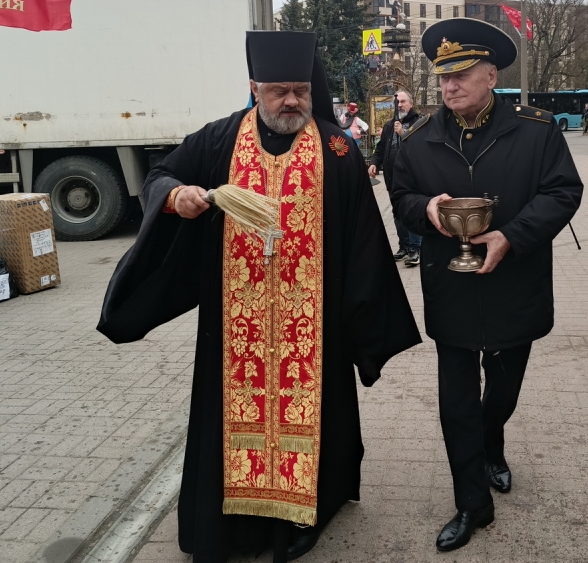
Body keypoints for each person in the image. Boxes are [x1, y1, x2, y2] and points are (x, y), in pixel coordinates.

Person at [98, 31, 422, 563]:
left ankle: (305, 511)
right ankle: (233, 519)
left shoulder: (337, 148)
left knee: (315, 416)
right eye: (278, 91)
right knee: (233, 418)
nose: (291, 101)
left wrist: (363, 318)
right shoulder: (221, 138)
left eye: (300, 90)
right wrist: (177, 196)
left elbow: (364, 239)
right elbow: (160, 175)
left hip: (313, 325)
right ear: (255, 88)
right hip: (236, 324)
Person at [391, 18, 583, 552]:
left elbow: (564, 192)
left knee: (502, 389)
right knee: (455, 401)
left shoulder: (536, 130)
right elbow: (400, 196)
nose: (449, 86)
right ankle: (472, 501)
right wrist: (425, 209)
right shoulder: (418, 139)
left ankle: (491, 438)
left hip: (513, 282)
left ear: (492, 75)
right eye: (443, 77)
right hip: (450, 288)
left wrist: (511, 236)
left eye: (462, 75)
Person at [369, 91, 422, 267]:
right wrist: (374, 163)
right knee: (397, 212)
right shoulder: (389, 125)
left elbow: (421, 147)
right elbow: (381, 148)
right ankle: (404, 246)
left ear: (411, 104)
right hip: (392, 178)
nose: (399, 105)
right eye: (397, 102)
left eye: (403, 101)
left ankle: (415, 249)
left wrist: (403, 133)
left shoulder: (418, 123)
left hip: (411, 178)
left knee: (411, 212)